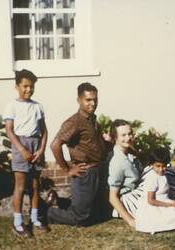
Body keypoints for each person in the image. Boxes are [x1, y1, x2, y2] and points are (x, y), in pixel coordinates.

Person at [48, 82, 108, 226]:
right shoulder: (75, 121)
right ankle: (46, 212)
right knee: (81, 218)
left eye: (95, 99)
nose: (93, 103)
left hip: (97, 170)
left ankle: (59, 202)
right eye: (88, 100)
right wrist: (68, 170)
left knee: (96, 213)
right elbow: (55, 145)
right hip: (85, 172)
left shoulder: (92, 119)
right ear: (79, 100)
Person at [4, 69, 49, 236]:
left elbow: (44, 131)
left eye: (31, 87)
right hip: (20, 145)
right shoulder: (12, 105)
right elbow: (9, 131)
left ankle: (35, 218)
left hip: (36, 146)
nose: (28, 90)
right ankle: (18, 223)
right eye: (25, 86)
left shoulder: (38, 106)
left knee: (35, 185)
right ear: (17, 86)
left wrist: (41, 149)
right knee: (21, 186)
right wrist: (21, 149)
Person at [135, 147, 175, 234]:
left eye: (164, 166)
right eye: (158, 166)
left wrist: (172, 203)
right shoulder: (152, 178)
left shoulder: (163, 175)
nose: (161, 169)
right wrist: (170, 204)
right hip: (154, 207)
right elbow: (151, 201)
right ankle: (170, 227)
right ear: (151, 164)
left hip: (164, 202)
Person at [108, 119, 143, 228]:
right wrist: (130, 221)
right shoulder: (118, 161)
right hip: (128, 200)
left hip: (137, 193)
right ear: (115, 138)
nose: (128, 138)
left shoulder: (129, 153)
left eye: (130, 134)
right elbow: (112, 197)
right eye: (123, 135)